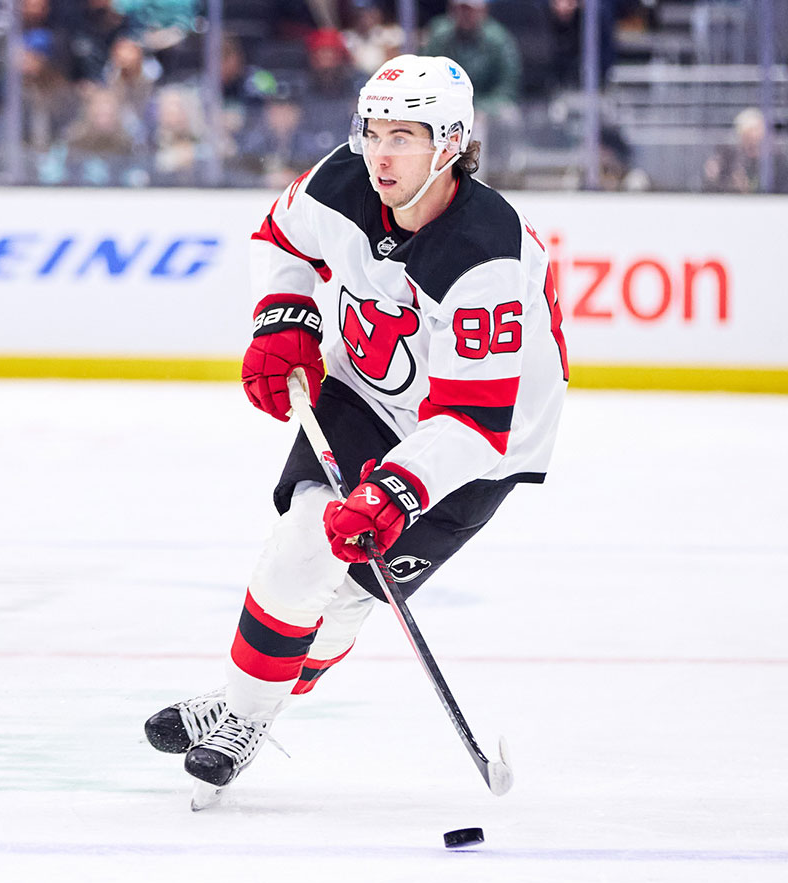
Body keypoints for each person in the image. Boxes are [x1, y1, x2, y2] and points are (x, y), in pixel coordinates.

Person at [144, 55, 568, 803]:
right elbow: (281, 237)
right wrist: (283, 318)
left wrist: (397, 490)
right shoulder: (343, 180)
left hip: (482, 444)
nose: (380, 154)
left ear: (450, 145)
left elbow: (473, 423)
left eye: (403, 136)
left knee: (350, 596)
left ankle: (246, 702)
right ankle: (247, 716)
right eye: (372, 132)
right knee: (305, 542)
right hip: (366, 395)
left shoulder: (486, 256)